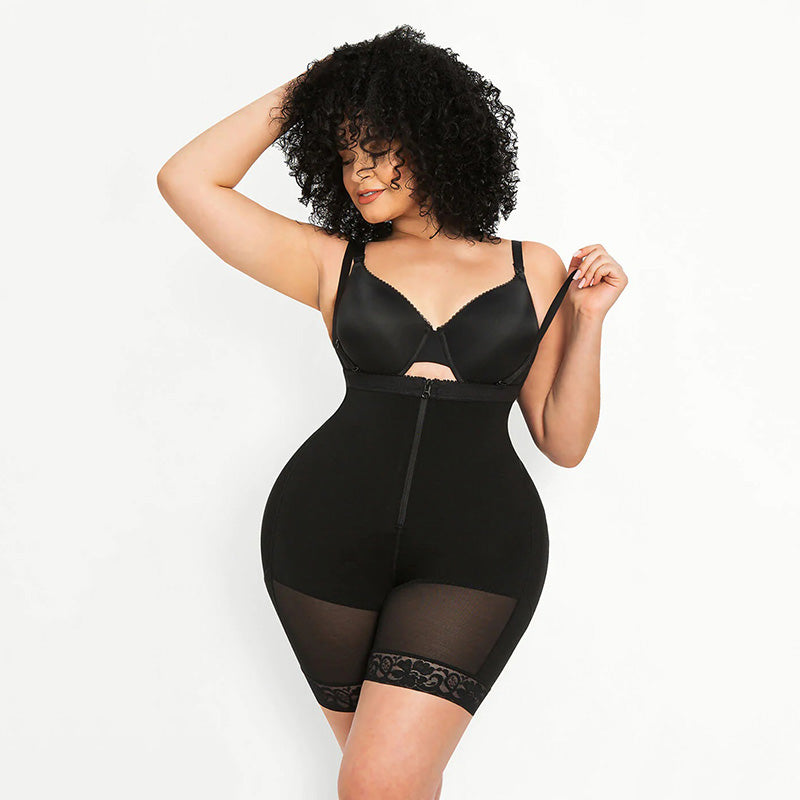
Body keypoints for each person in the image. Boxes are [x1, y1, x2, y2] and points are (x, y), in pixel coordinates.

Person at [157, 24, 627, 800]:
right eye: (344, 155)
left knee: (379, 782)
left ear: (437, 135)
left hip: (476, 551)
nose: (359, 173)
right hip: (324, 536)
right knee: (389, 786)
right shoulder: (331, 262)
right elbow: (186, 180)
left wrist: (588, 320)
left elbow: (563, 440)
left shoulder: (532, 266)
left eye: (377, 147)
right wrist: (314, 88)